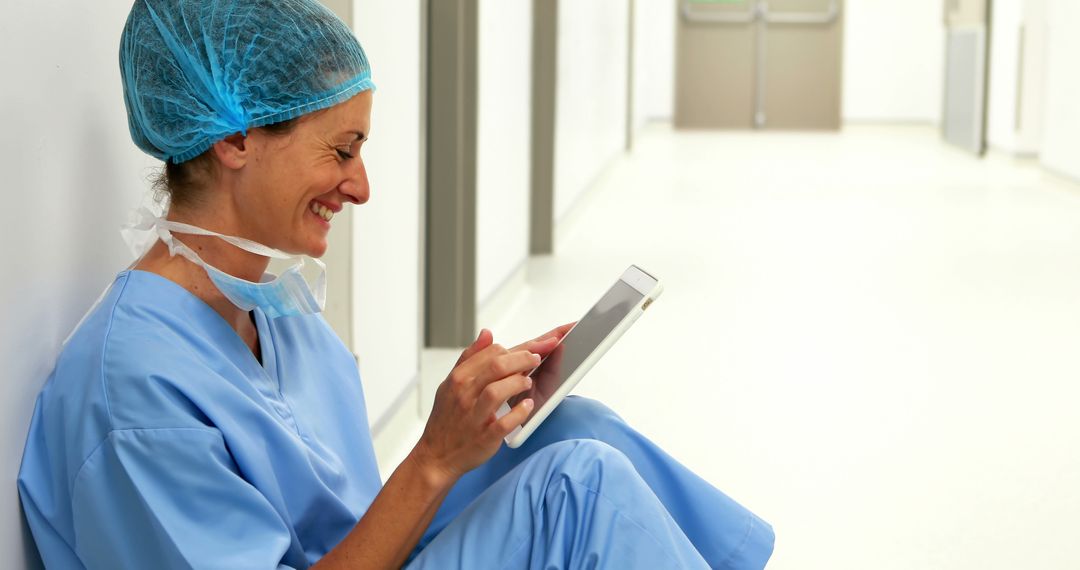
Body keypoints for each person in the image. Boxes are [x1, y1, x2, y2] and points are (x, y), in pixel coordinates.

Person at [18, 0, 775, 568]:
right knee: (576, 485)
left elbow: (347, 519)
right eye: (341, 150)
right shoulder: (133, 393)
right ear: (235, 139)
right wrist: (437, 457)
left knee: (583, 430)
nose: (361, 186)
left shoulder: (274, 308)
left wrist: (468, 423)